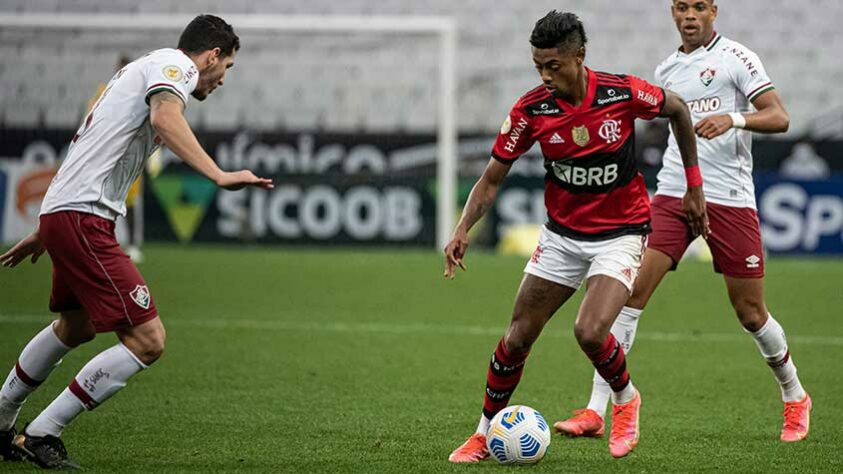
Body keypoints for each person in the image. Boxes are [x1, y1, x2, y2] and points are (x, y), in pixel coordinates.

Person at [0, 15, 272, 469]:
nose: (224, 79)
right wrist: (220, 174)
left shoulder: (136, 71)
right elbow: (165, 117)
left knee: (77, 326)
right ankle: (43, 432)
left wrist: (48, 225)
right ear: (210, 56)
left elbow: (93, 147)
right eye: (227, 67)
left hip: (69, 213)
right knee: (148, 340)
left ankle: (3, 419)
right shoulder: (175, 67)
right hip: (83, 218)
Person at [444, 10, 707, 461]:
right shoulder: (531, 110)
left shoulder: (620, 93)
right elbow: (491, 179)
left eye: (554, 66)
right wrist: (463, 227)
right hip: (562, 236)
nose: (545, 76)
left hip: (621, 233)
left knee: (589, 330)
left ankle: (626, 401)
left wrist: (694, 186)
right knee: (517, 338)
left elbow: (679, 109)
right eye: (538, 67)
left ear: (579, 56)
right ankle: (485, 433)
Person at [555, 0, 811, 444]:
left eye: (698, 7)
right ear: (672, 13)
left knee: (750, 312)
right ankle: (597, 409)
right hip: (674, 192)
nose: (689, 15)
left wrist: (732, 119)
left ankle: (794, 394)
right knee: (630, 294)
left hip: (729, 197)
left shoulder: (738, 58)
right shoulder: (668, 68)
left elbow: (780, 116)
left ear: (713, 10)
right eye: (680, 7)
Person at [86, 54, 150, 263]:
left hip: (130, 157)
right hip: (106, 157)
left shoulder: (141, 95)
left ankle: (132, 244)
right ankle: (102, 243)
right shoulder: (103, 92)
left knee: (130, 202)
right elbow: (89, 122)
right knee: (101, 200)